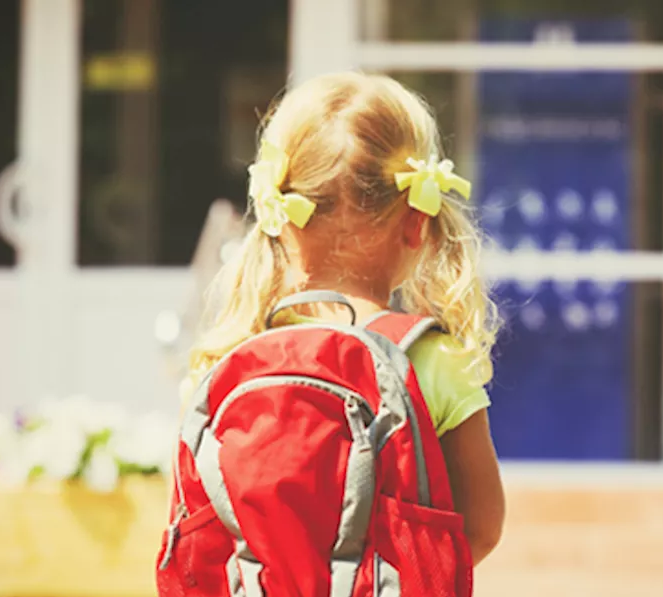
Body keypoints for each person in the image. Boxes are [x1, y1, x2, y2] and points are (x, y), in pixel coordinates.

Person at [184, 72, 505, 566]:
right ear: (418, 222)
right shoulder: (432, 359)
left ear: (278, 219)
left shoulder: (235, 355)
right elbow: (482, 526)